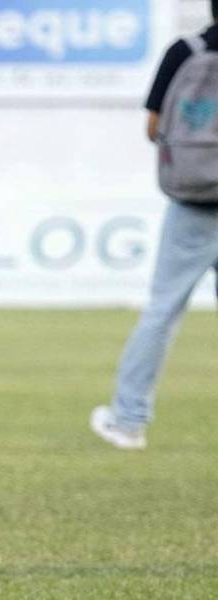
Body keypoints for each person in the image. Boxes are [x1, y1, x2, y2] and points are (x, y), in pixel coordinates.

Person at [92, 0, 218, 451]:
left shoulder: (184, 51)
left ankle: (128, 420)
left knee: (163, 311)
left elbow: (153, 126)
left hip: (194, 203)